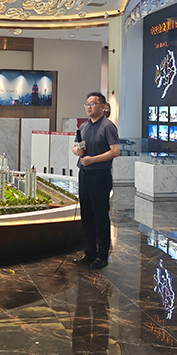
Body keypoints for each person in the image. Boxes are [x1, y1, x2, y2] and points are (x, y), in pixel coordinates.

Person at [72, 92, 119, 271]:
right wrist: (77, 151)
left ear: (102, 106)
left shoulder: (108, 126)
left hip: (100, 175)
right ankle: (90, 252)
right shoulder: (84, 126)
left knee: (100, 216)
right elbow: (76, 147)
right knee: (87, 216)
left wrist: (93, 160)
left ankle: (102, 255)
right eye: (87, 104)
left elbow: (115, 151)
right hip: (84, 175)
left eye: (93, 104)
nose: (89, 107)